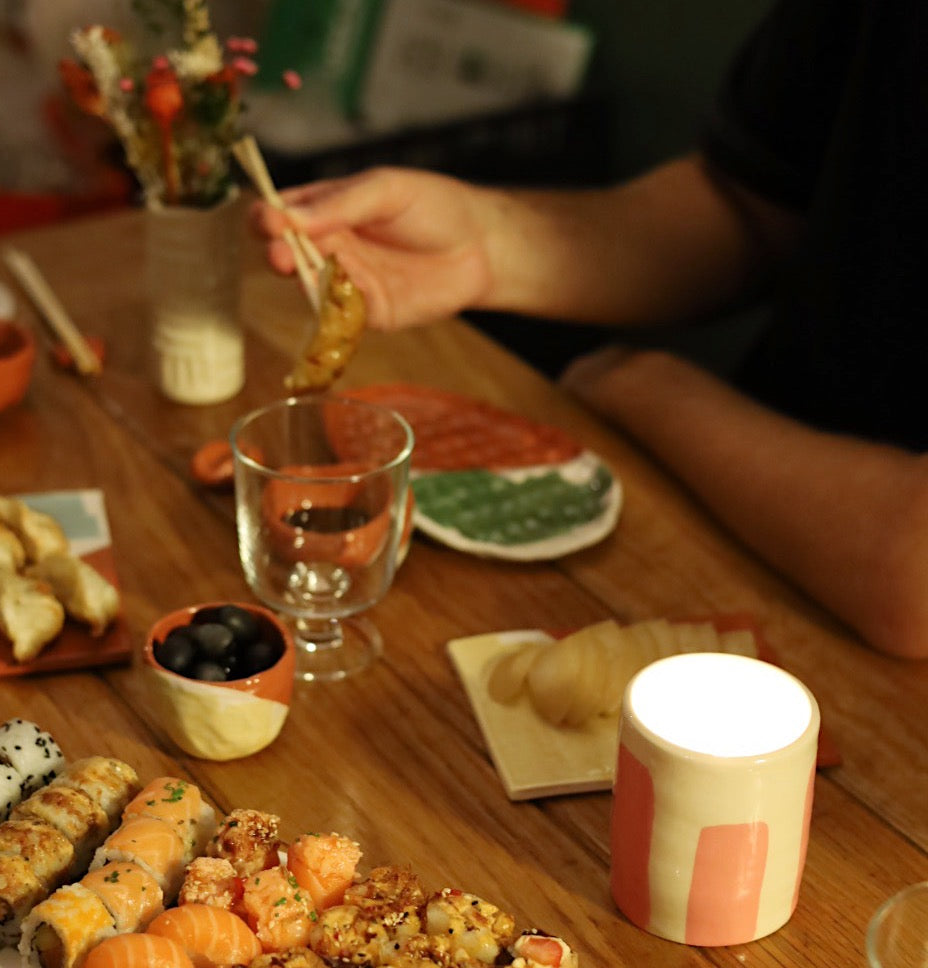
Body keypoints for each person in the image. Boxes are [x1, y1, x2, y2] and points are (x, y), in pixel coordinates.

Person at [251, 0, 928, 660]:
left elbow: (911, 582)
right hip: (728, 522)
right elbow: (749, 206)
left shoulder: (645, 387)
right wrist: (487, 241)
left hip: (850, 622)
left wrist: (642, 383)